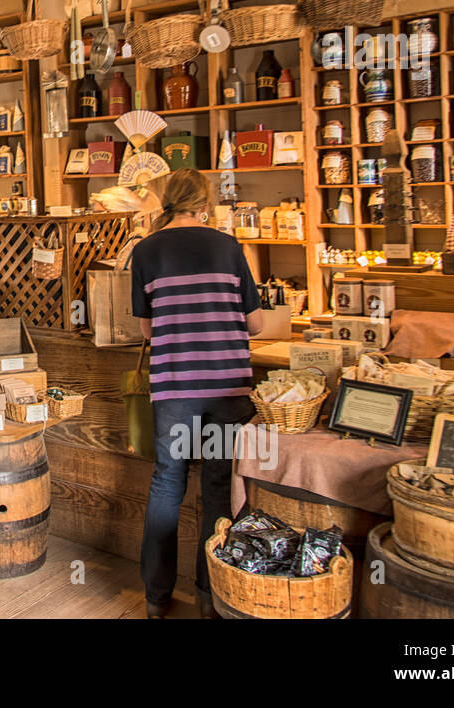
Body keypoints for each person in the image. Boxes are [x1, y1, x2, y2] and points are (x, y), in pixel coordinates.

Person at [130, 170, 264, 618]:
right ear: (204, 202)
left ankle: (156, 596)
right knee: (219, 488)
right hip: (227, 387)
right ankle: (211, 596)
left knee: (168, 483)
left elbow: (147, 328)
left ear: (167, 201)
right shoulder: (227, 247)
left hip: (174, 389)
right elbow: (257, 324)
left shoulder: (145, 250)